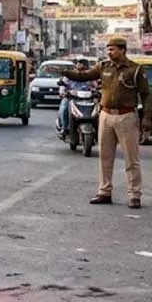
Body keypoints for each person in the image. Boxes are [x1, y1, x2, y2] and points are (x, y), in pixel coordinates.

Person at [56, 36, 152, 209]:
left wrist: (147, 119)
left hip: (127, 116)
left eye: (113, 49)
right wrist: (65, 72)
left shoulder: (135, 70)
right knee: (105, 157)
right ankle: (104, 191)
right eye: (108, 49)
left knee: (131, 159)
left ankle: (134, 195)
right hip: (105, 115)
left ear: (123, 50)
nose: (109, 52)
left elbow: (146, 95)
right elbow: (83, 76)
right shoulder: (103, 66)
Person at [57, 59, 96, 134]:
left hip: (87, 99)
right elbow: (63, 85)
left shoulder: (91, 75)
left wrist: (97, 91)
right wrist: (63, 92)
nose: (79, 65)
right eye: (79, 64)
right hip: (71, 98)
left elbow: (96, 85)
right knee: (64, 108)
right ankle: (65, 128)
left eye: (82, 64)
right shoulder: (70, 74)